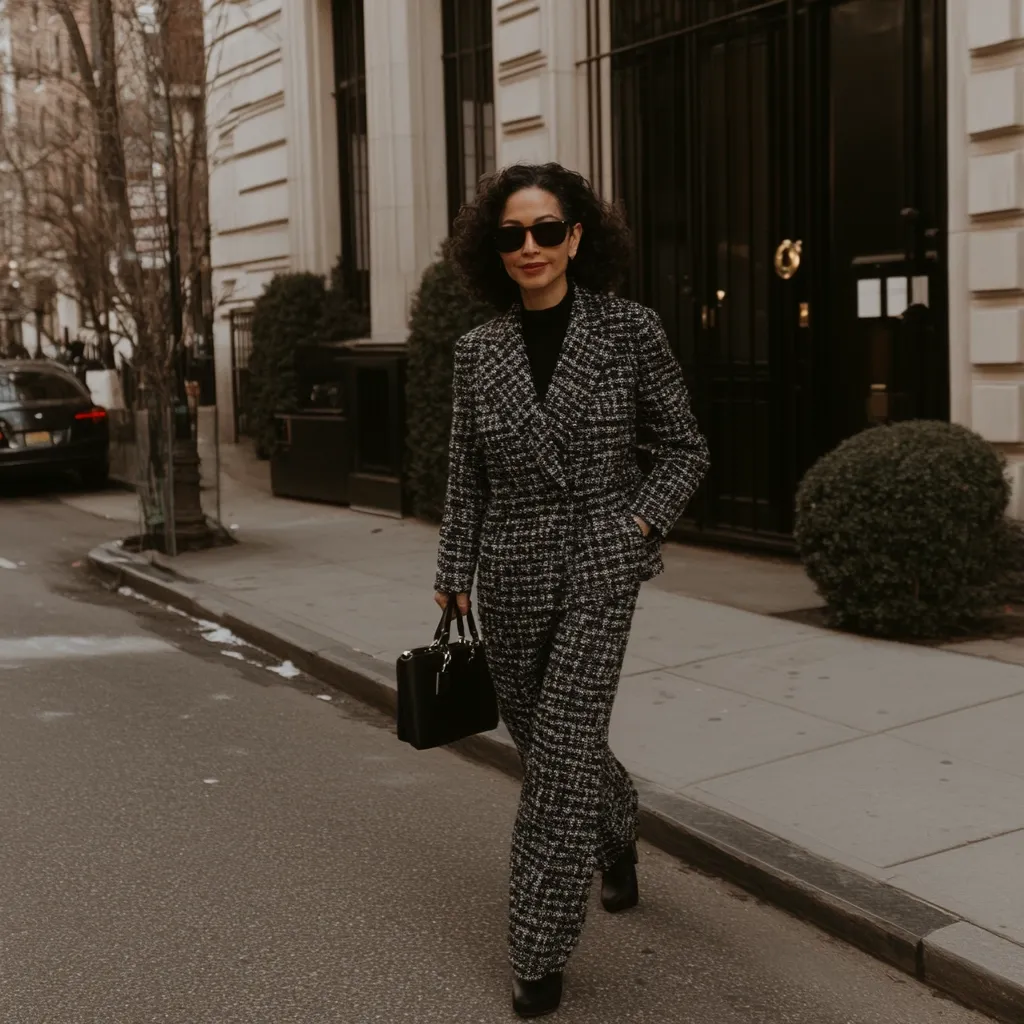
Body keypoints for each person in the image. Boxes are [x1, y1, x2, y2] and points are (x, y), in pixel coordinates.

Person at [433, 162, 710, 1018]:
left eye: (546, 230)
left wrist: (634, 529)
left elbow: (685, 449)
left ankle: (536, 950)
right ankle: (617, 827)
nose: (530, 248)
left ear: (577, 236)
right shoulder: (478, 352)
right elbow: (465, 477)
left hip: (600, 566)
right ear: (496, 247)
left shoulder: (629, 331)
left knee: (554, 765)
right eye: (512, 234)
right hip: (509, 574)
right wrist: (453, 576)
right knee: (548, 740)